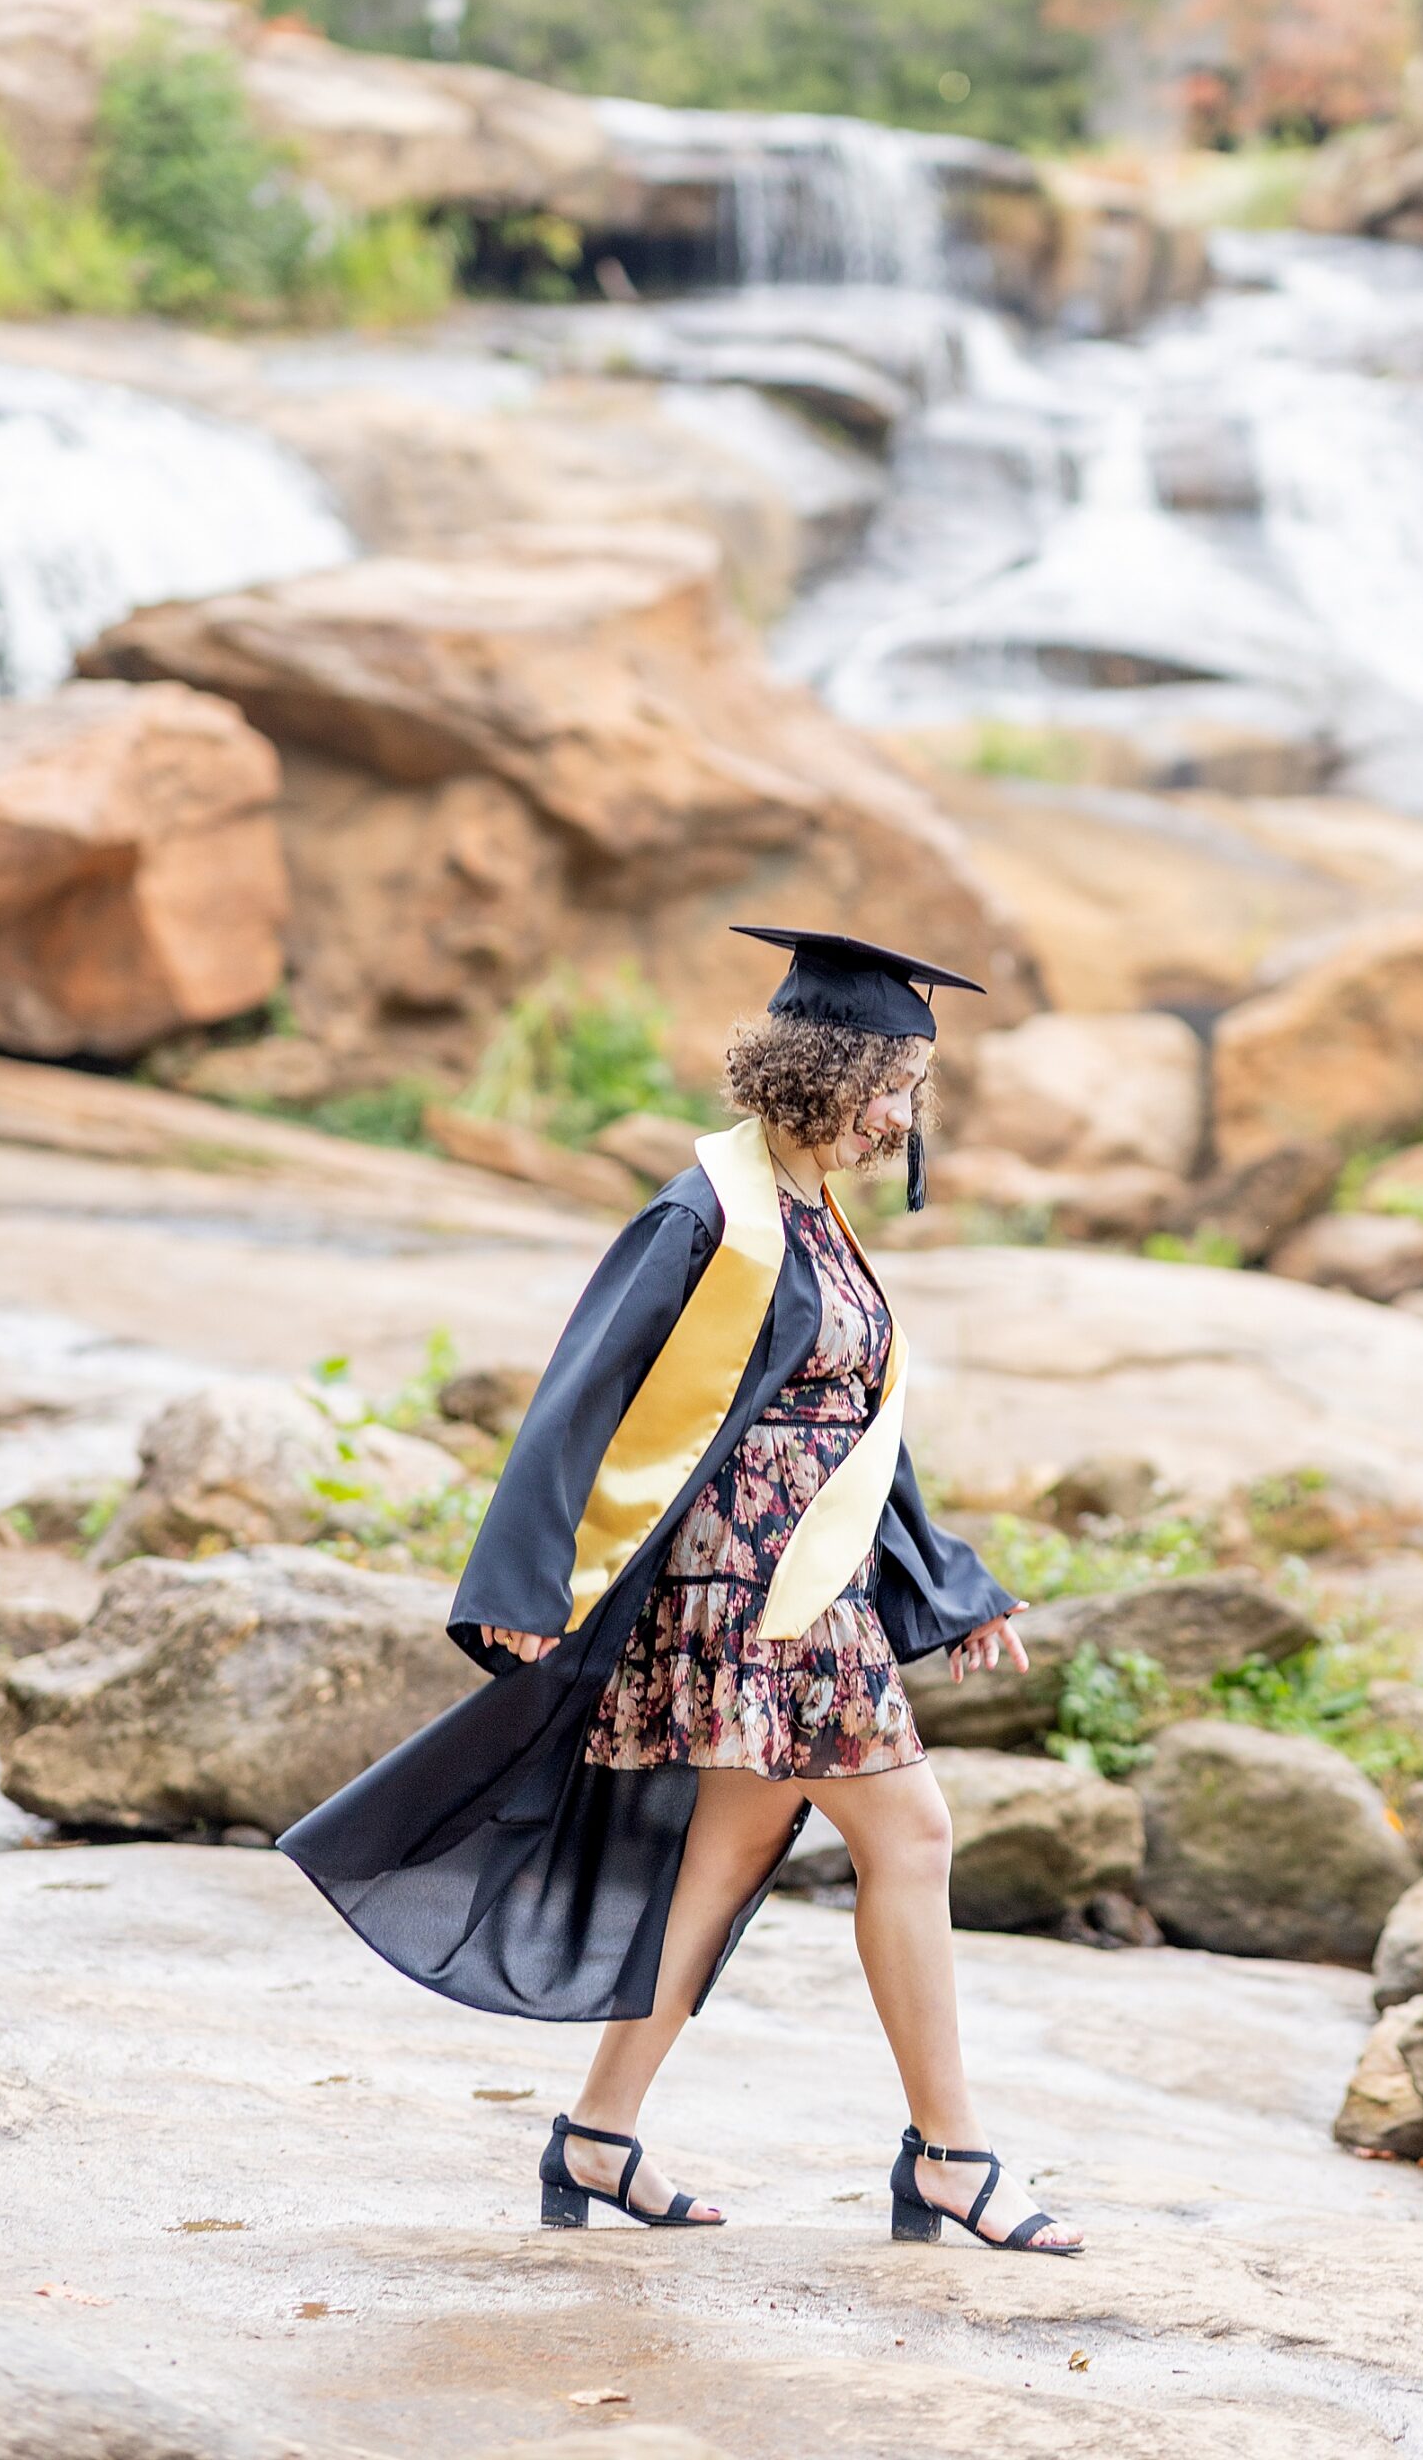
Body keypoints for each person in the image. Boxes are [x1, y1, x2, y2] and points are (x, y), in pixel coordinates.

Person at [277, 926, 1083, 2256]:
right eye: (895, 1081)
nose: (906, 1113)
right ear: (826, 1071)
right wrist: (527, 1577)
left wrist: (951, 1581)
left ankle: (597, 2138)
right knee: (914, 1838)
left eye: (913, 1089)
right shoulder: (709, 1212)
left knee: (726, 1856)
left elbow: (856, 1427)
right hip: (754, 1595)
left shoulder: (815, 1216)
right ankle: (953, 2157)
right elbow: (579, 1395)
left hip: (804, 1580)